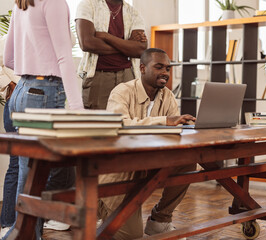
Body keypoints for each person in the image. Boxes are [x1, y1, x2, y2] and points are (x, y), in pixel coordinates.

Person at [3, 0, 84, 239]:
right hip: (44, 93)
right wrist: (78, 110)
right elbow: (64, 59)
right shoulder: (54, 2)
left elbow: (8, 59)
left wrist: (32, 68)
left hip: (21, 91)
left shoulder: (22, 2)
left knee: (26, 172)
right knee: (34, 178)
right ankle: (25, 235)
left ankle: (22, 233)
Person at [98, 48, 196, 239]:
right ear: (142, 68)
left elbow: (174, 132)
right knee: (132, 236)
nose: (165, 73)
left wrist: (187, 126)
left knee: (187, 161)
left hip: (147, 164)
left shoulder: (167, 96)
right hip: (118, 174)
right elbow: (120, 125)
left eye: (168, 68)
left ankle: (160, 221)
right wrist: (165, 121)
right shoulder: (122, 91)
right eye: (159, 67)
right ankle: (100, 213)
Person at [76, 0, 147, 110]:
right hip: (99, 76)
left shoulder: (133, 12)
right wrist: (126, 44)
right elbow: (86, 43)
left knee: (127, 122)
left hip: (127, 76)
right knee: (98, 123)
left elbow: (140, 50)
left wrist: (106, 37)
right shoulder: (88, 5)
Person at [0, 35, 20, 238]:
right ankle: (7, 222)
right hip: (15, 101)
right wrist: (11, 83)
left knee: (37, 164)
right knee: (16, 164)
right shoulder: (6, 39)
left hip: (40, 100)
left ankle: (31, 222)